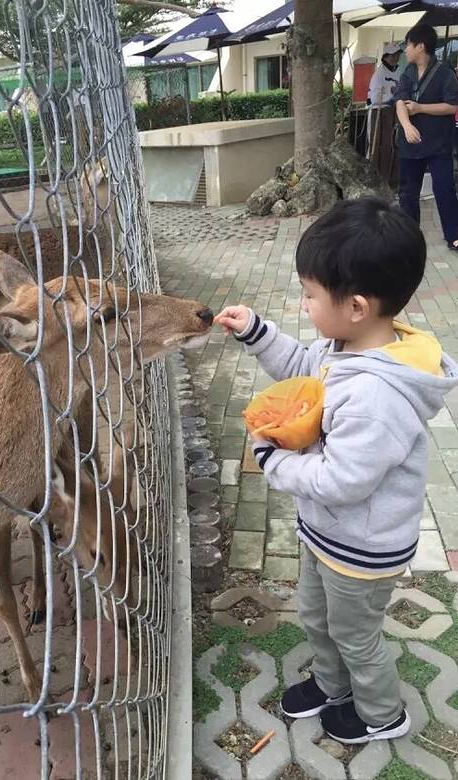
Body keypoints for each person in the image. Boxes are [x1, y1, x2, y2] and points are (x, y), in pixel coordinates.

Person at [215, 197, 458, 745]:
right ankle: (332, 686)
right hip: (326, 534)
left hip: (361, 549)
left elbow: (341, 480)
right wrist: (258, 332)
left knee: (356, 634)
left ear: (355, 306)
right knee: (317, 615)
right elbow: (308, 370)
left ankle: (380, 714)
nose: (304, 305)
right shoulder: (348, 344)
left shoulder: (376, 395)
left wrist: (274, 459)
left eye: (309, 295)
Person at [394, 24, 458, 250]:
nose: (406, 50)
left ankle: (454, 236)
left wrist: (421, 108)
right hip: (411, 144)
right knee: (408, 194)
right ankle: (411, 239)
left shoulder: (445, 73)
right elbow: (400, 101)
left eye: (408, 45)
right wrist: (407, 125)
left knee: (444, 189)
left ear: (420, 46)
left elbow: (452, 106)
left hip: (438, 144)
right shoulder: (408, 72)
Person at [368, 43, 402, 108]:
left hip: (394, 110)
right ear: (385, 57)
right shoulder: (379, 74)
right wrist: (390, 90)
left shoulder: (398, 71)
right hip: (379, 112)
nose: (396, 58)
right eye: (393, 56)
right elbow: (374, 99)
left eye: (398, 55)